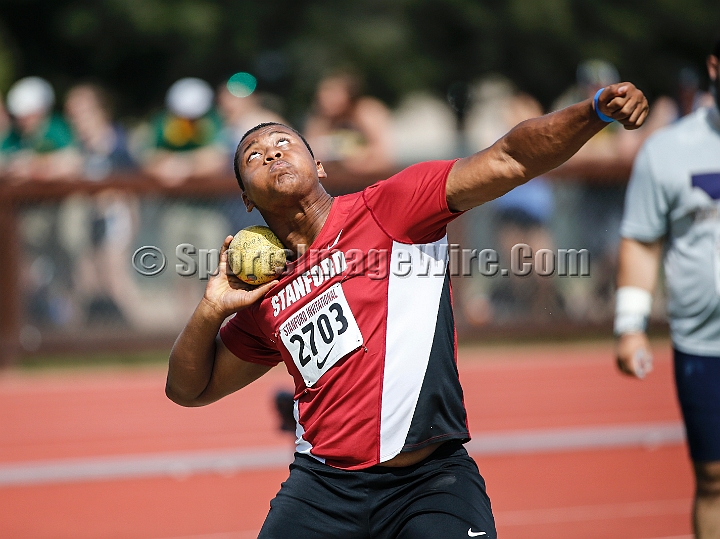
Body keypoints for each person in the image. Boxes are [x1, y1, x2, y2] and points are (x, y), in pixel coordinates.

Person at [166, 81, 648, 538]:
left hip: (429, 483)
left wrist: (594, 111)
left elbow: (510, 158)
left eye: (283, 141)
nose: (271, 152)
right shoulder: (265, 295)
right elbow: (189, 390)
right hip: (322, 490)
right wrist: (211, 309)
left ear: (321, 165)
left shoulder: (390, 208)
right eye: (253, 155)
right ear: (247, 200)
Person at [615, 39, 720, 539]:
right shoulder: (668, 149)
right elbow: (641, 240)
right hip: (704, 344)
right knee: (713, 478)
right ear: (714, 67)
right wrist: (630, 327)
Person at [304, 71, 394, 176]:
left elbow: (384, 158)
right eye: (322, 95)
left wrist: (352, 163)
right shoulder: (322, 118)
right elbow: (308, 155)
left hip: (368, 181)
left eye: (332, 94)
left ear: (349, 94)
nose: (325, 100)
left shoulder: (366, 112)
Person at [1, 76, 81, 181]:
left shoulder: (58, 128)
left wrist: (33, 167)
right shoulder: (14, 135)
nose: (23, 122)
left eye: (28, 116)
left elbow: (73, 163)